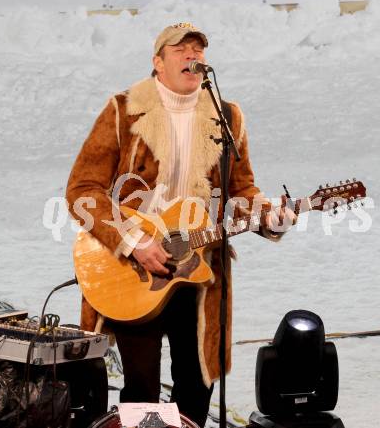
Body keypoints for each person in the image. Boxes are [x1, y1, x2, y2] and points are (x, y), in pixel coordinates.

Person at [66, 23, 296, 427]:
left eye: (199, 49)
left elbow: (240, 193)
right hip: (133, 269)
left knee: (196, 383)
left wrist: (269, 217)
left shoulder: (226, 116)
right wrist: (134, 241)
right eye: (181, 49)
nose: (193, 55)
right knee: (141, 388)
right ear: (158, 62)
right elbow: (82, 190)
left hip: (199, 266)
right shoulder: (124, 110)